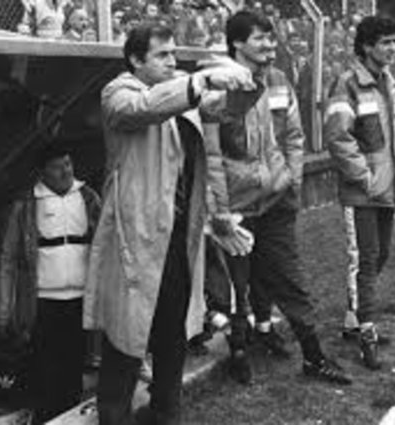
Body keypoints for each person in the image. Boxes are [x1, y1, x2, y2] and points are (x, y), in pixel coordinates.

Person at [83, 22, 254, 425]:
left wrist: (246, 80)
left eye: (174, 54)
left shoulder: (182, 93)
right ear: (135, 59)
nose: (171, 61)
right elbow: (144, 108)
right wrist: (200, 80)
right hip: (136, 239)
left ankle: (165, 414)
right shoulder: (118, 92)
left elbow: (226, 109)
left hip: (177, 237)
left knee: (171, 334)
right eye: (161, 55)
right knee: (125, 339)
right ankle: (114, 418)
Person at [202, 10, 352, 386]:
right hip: (236, 207)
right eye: (260, 38)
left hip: (276, 200)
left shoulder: (280, 81)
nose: (270, 45)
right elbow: (212, 156)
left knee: (290, 278)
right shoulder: (217, 85)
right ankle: (239, 350)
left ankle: (314, 356)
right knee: (237, 285)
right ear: (237, 43)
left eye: (272, 38)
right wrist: (220, 211)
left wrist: (292, 181)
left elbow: (295, 137)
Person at [323, 16, 395, 370]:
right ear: (366, 46)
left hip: (386, 188)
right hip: (362, 192)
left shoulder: (387, 82)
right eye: (386, 42)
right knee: (364, 258)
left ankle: (354, 319)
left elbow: (394, 135)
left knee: (381, 254)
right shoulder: (347, 83)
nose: (393, 49)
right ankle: (367, 330)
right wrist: (364, 177)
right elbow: (338, 137)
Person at [0, 145, 102, 424]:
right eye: (57, 167)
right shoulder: (26, 205)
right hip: (41, 303)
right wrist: (4, 310)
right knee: (45, 367)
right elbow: (7, 259)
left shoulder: (89, 198)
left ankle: (70, 417)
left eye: (68, 164)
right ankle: (45, 417)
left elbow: (106, 246)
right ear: (42, 172)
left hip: (80, 301)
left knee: (74, 364)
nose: (65, 171)